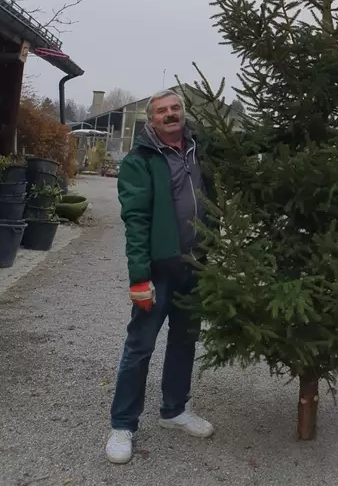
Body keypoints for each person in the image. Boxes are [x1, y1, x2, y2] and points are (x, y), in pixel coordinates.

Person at [105, 90, 215, 464]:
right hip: (158, 269)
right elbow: (136, 221)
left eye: (175, 108)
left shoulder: (199, 150)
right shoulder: (140, 161)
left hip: (196, 265)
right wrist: (139, 277)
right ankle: (122, 425)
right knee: (140, 345)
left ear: (183, 113)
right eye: (162, 111)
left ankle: (174, 409)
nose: (170, 114)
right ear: (151, 119)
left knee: (185, 340)